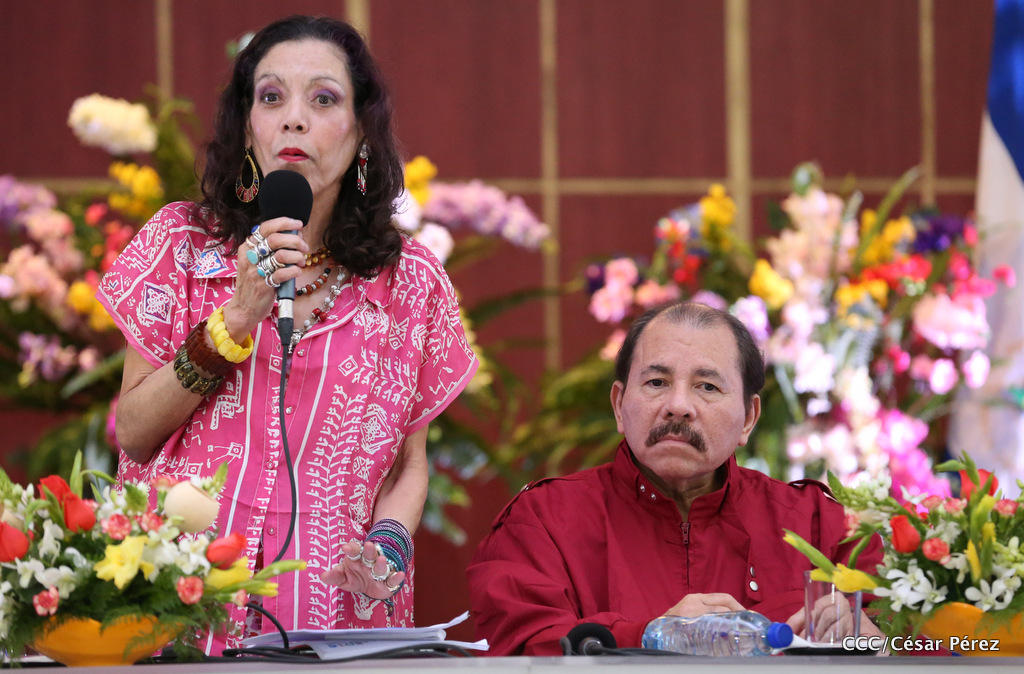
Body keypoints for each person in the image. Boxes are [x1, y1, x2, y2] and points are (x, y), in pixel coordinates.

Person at [97, 15, 477, 652]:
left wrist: (387, 548)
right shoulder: (181, 244)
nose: (294, 119)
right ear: (248, 127)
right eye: (271, 97)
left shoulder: (410, 282)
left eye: (323, 99)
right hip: (176, 607)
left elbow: (409, 464)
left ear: (361, 133)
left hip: (333, 616)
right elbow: (132, 432)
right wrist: (234, 321)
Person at [467, 301, 883, 655]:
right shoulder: (542, 522)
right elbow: (521, 646)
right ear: (619, 405)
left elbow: (914, 638)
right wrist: (648, 638)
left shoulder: (820, 525)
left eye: (707, 386)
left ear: (748, 418)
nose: (678, 405)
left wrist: (876, 644)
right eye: (656, 382)